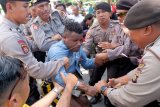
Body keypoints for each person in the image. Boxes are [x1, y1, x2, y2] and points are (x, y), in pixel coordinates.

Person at [95, 0, 160, 106]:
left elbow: (129, 99)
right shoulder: (154, 46)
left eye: (130, 31)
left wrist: (103, 89)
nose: (129, 36)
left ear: (147, 29)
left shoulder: (155, 56)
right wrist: (121, 80)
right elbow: (142, 70)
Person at [83, 2, 138, 105]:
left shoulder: (119, 24)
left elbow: (127, 46)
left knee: (111, 80)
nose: (101, 14)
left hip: (115, 58)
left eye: (104, 12)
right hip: (100, 59)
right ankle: (97, 95)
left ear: (110, 13)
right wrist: (80, 57)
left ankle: (108, 98)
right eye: (98, 12)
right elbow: (86, 48)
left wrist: (112, 47)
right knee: (94, 79)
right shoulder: (92, 30)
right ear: (95, 14)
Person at [0, 0, 69, 79]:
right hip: (18, 85)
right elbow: (36, 70)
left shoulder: (14, 29)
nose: (29, 11)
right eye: (25, 6)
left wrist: (49, 39)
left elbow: (31, 45)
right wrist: (61, 62)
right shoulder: (10, 37)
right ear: (10, 7)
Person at [0, 55, 78, 107]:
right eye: (28, 82)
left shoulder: (9, 103)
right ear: (15, 101)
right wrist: (69, 86)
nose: (30, 82)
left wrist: (57, 89)